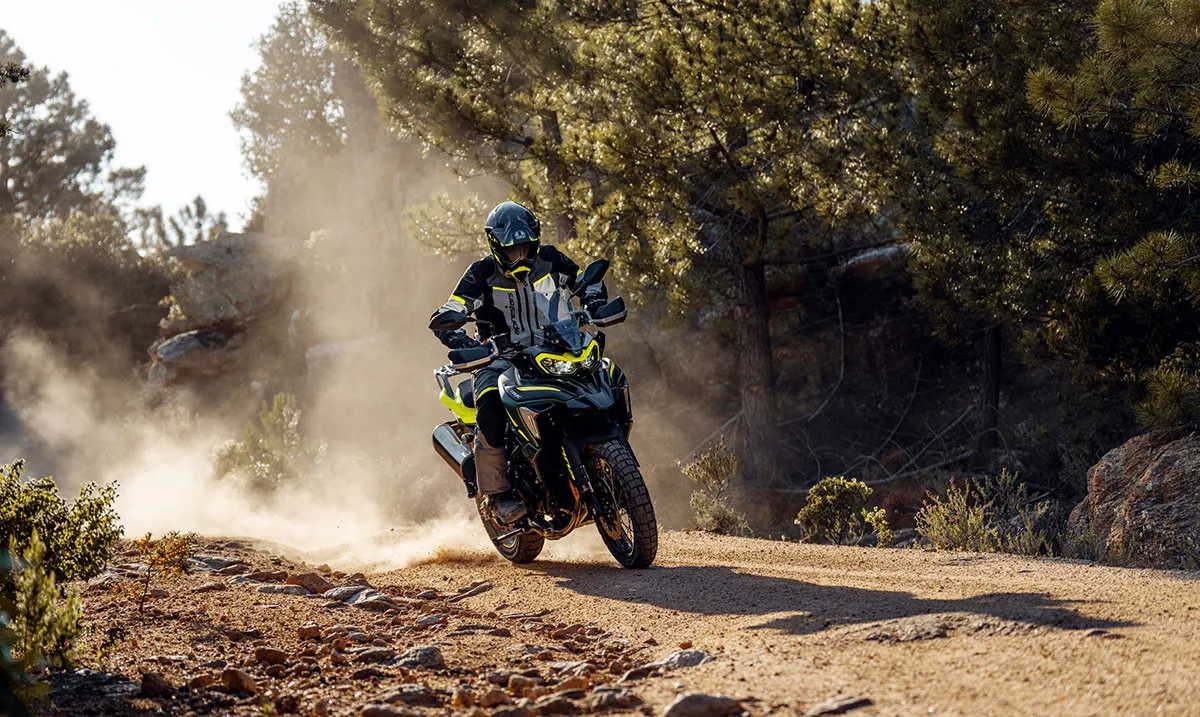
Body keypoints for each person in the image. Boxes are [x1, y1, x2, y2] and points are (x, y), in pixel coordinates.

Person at [429, 201, 607, 524]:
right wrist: (467, 344)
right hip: (498, 360)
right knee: (490, 406)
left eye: (525, 247)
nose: (520, 255)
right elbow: (447, 313)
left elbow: (584, 280)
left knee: (601, 375)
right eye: (512, 249)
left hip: (554, 350)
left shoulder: (550, 259)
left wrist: (594, 301)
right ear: (497, 246)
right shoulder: (481, 273)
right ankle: (497, 494)